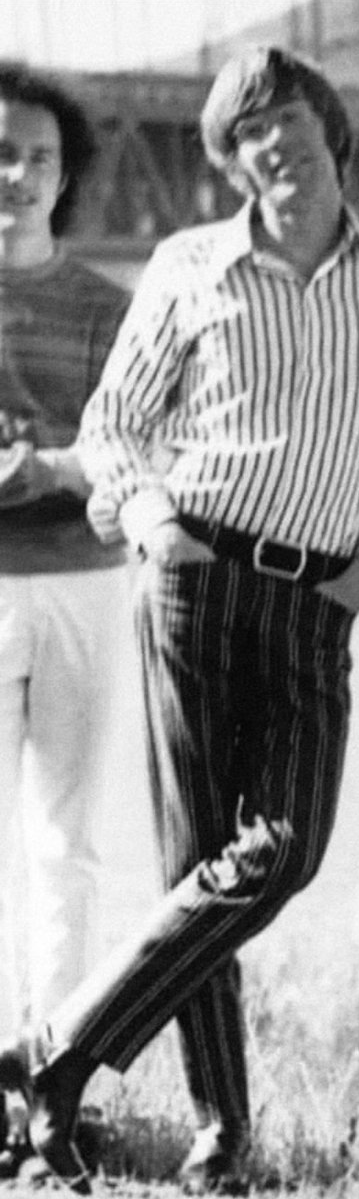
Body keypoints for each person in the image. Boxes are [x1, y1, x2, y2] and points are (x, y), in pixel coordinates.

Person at [0, 46, 359, 1195]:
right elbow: (113, 426)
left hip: (315, 596)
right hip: (195, 578)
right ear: (231, 162)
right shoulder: (190, 265)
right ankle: (221, 1134)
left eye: (285, 120)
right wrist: (157, 529)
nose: (271, 145)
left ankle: (61, 1048)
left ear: (327, 130)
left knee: (279, 851)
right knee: (203, 858)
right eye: (245, 135)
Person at [0, 64, 129, 1173]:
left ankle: (58, 1067)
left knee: (68, 842)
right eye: (0, 152)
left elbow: (121, 451)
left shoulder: (104, 308)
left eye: (41, 156)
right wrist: (64, 462)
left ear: (65, 174)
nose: (19, 175)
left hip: (86, 580)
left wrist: (38, 463)